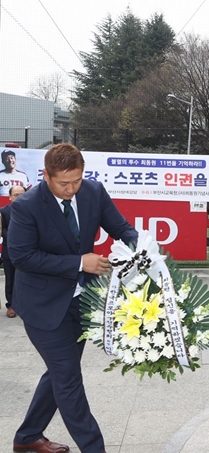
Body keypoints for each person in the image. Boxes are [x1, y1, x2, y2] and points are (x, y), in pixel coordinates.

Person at [9, 143, 137, 453]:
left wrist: (142, 251)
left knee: (59, 372)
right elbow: (21, 256)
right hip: (42, 307)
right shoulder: (27, 206)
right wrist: (81, 262)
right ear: (46, 175)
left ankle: (27, 438)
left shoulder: (93, 192)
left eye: (77, 180)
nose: (71, 189)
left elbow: (121, 228)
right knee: (68, 378)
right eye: (64, 183)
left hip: (81, 300)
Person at [0, 185, 27, 318]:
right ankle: (11, 305)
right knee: (10, 279)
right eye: (16, 195)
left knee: (26, 279)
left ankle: (24, 305)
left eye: (22, 194)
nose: (19, 197)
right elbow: (2, 230)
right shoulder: (3, 212)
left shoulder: (31, 211)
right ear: (10, 197)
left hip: (28, 253)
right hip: (9, 251)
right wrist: (15, 234)